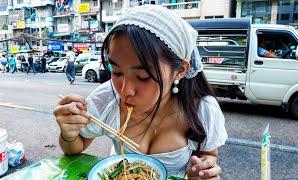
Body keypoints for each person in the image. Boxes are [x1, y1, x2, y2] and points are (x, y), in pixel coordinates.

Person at [53, 5, 227, 179]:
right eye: (117, 71)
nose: (125, 90)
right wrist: (69, 134)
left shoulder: (202, 110)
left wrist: (202, 170)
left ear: (180, 70)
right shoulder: (107, 98)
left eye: (143, 76)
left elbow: (209, 154)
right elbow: (77, 146)